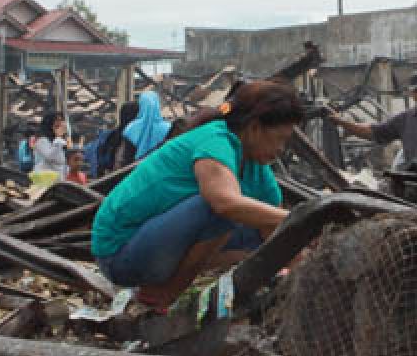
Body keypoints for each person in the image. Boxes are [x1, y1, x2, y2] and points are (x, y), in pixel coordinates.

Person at [91, 80, 303, 310]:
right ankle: (164, 295)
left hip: (158, 250)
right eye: (280, 138)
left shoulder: (258, 173)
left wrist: (306, 269)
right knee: (223, 210)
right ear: (254, 128)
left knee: (261, 233)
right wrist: (303, 216)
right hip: (120, 254)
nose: (282, 148)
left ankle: (167, 288)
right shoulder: (215, 141)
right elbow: (224, 204)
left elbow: (279, 234)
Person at [329, 72, 417, 168]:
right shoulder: (404, 120)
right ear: (411, 93)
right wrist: (341, 122)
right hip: (415, 181)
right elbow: (374, 132)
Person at [114, 91, 171, 164]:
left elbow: (126, 157)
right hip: (161, 169)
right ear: (157, 105)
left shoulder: (131, 128)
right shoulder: (168, 128)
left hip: (137, 170)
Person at [34, 112, 71, 180]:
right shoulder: (42, 140)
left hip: (58, 182)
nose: (60, 123)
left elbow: (63, 164)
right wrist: (58, 137)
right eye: (57, 120)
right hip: (44, 182)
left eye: (61, 120)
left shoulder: (60, 142)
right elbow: (50, 157)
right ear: (50, 124)